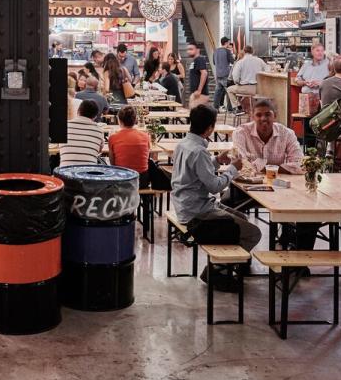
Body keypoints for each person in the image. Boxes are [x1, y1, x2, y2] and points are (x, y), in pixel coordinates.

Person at [170, 103, 262, 262]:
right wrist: (232, 169)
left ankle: (234, 264)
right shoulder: (199, 151)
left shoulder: (183, 144)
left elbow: (194, 172)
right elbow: (215, 187)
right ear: (209, 129)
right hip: (196, 213)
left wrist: (217, 160)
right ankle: (221, 268)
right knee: (253, 233)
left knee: (242, 218)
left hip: (184, 205)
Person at [231, 98, 315, 252]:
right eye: (259, 115)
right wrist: (276, 168)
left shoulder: (287, 133)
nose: (263, 119)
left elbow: (300, 164)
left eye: (268, 114)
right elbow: (241, 163)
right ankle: (236, 253)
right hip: (247, 188)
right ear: (252, 116)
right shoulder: (241, 132)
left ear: (275, 115)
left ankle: (298, 254)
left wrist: (263, 167)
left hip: (280, 188)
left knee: (310, 210)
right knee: (227, 206)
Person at [107, 105, 151, 186]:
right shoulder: (145, 136)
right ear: (135, 120)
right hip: (142, 180)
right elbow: (147, 157)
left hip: (122, 179)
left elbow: (112, 164)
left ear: (119, 120)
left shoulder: (113, 138)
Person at [61, 99, 106, 165]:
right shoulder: (99, 130)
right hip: (89, 170)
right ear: (95, 116)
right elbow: (98, 151)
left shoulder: (63, 126)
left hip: (65, 170)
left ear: (78, 111)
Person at [226, 46, 266, 113]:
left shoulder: (240, 62)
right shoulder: (260, 61)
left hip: (245, 88)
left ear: (244, 52)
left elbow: (235, 76)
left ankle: (238, 108)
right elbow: (268, 70)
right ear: (253, 52)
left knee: (229, 89)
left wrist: (238, 83)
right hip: (258, 89)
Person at [211, 38, 234, 108]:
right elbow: (233, 61)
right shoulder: (227, 51)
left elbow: (214, 62)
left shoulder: (215, 51)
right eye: (229, 43)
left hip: (218, 75)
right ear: (226, 43)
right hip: (226, 75)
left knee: (217, 93)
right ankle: (230, 109)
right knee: (229, 91)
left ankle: (215, 108)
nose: (229, 44)